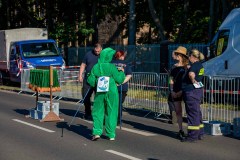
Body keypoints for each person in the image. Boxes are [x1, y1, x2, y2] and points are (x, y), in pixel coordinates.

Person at [87, 47, 125, 141]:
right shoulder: (112, 67)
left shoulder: (96, 66)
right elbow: (119, 79)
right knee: (111, 111)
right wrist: (121, 72)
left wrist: (92, 78)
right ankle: (111, 134)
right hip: (112, 91)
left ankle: (97, 132)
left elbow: (91, 81)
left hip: (100, 91)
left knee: (98, 111)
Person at [181, 49, 205, 142]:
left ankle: (192, 136)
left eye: (189, 56)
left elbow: (191, 74)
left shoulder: (194, 66)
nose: (188, 58)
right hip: (197, 91)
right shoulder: (200, 65)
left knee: (192, 114)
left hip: (191, 92)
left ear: (193, 57)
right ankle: (200, 133)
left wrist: (192, 79)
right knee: (197, 113)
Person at [168, 46, 189, 140]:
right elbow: (171, 79)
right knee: (178, 112)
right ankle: (181, 130)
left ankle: (191, 132)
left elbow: (188, 81)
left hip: (185, 91)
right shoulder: (174, 67)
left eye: (176, 54)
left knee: (189, 112)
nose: (175, 55)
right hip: (175, 91)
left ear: (180, 55)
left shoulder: (187, 67)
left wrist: (181, 91)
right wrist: (172, 90)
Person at [78, 43, 102, 120]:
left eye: (98, 51)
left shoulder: (103, 55)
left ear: (101, 49)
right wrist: (80, 75)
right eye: (96, 51)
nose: (97, 53)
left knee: (99, 97)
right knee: (86, 96)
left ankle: (98, 113)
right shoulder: (88, 54)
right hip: (88, 79)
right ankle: (88, 112)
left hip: (99, 79)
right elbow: (83, 65)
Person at [111, 50, 132, 123]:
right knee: (119, 104)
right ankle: (118, 119)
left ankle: (111, 119)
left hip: (112, 85)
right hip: (122, 87)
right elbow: (129, 75)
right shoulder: (125, 64)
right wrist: (121, 81)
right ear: (121, 56)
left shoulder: (111, 63)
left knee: (112, 103)